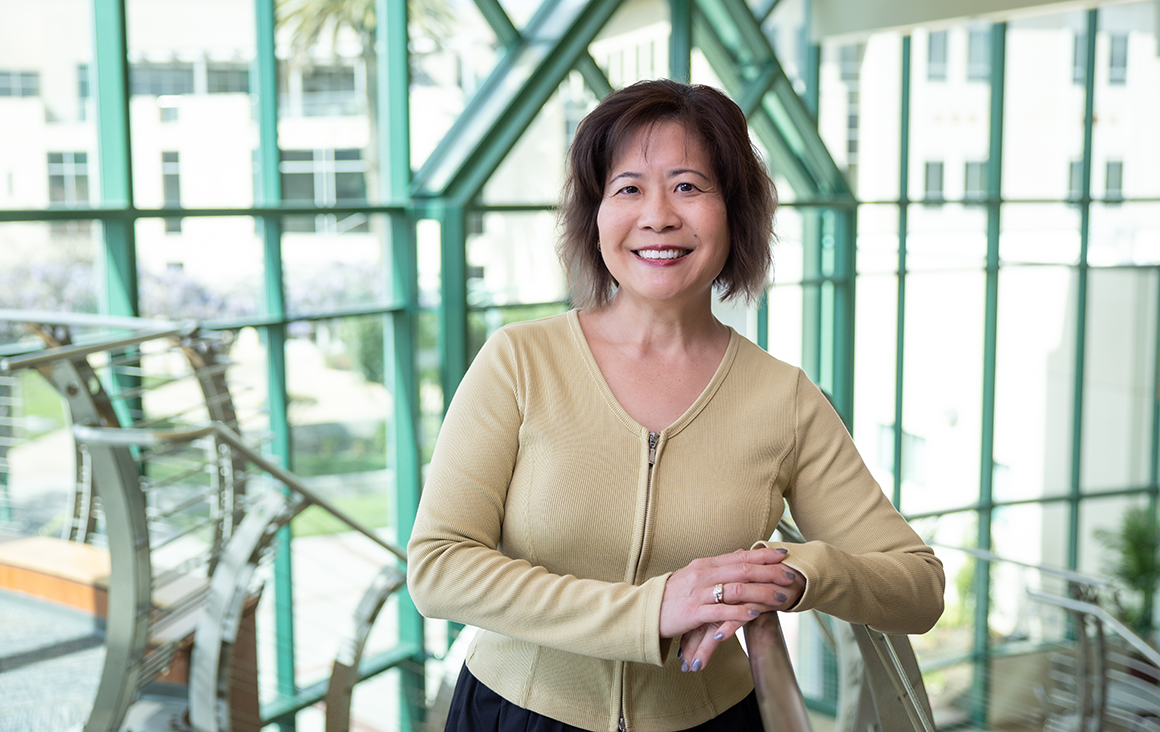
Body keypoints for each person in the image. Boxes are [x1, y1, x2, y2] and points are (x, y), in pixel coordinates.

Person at [407, 79, 945, 732]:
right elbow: (439, 568)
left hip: (713, 721)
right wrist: (652, 610)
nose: (658, 215)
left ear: (734, 212)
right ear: (596, 214)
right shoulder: (519, 361)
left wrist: (797, 573)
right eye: (628, 188)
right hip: (516, 714)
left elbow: (919, 588)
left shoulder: (784, 398)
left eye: (688, 186)